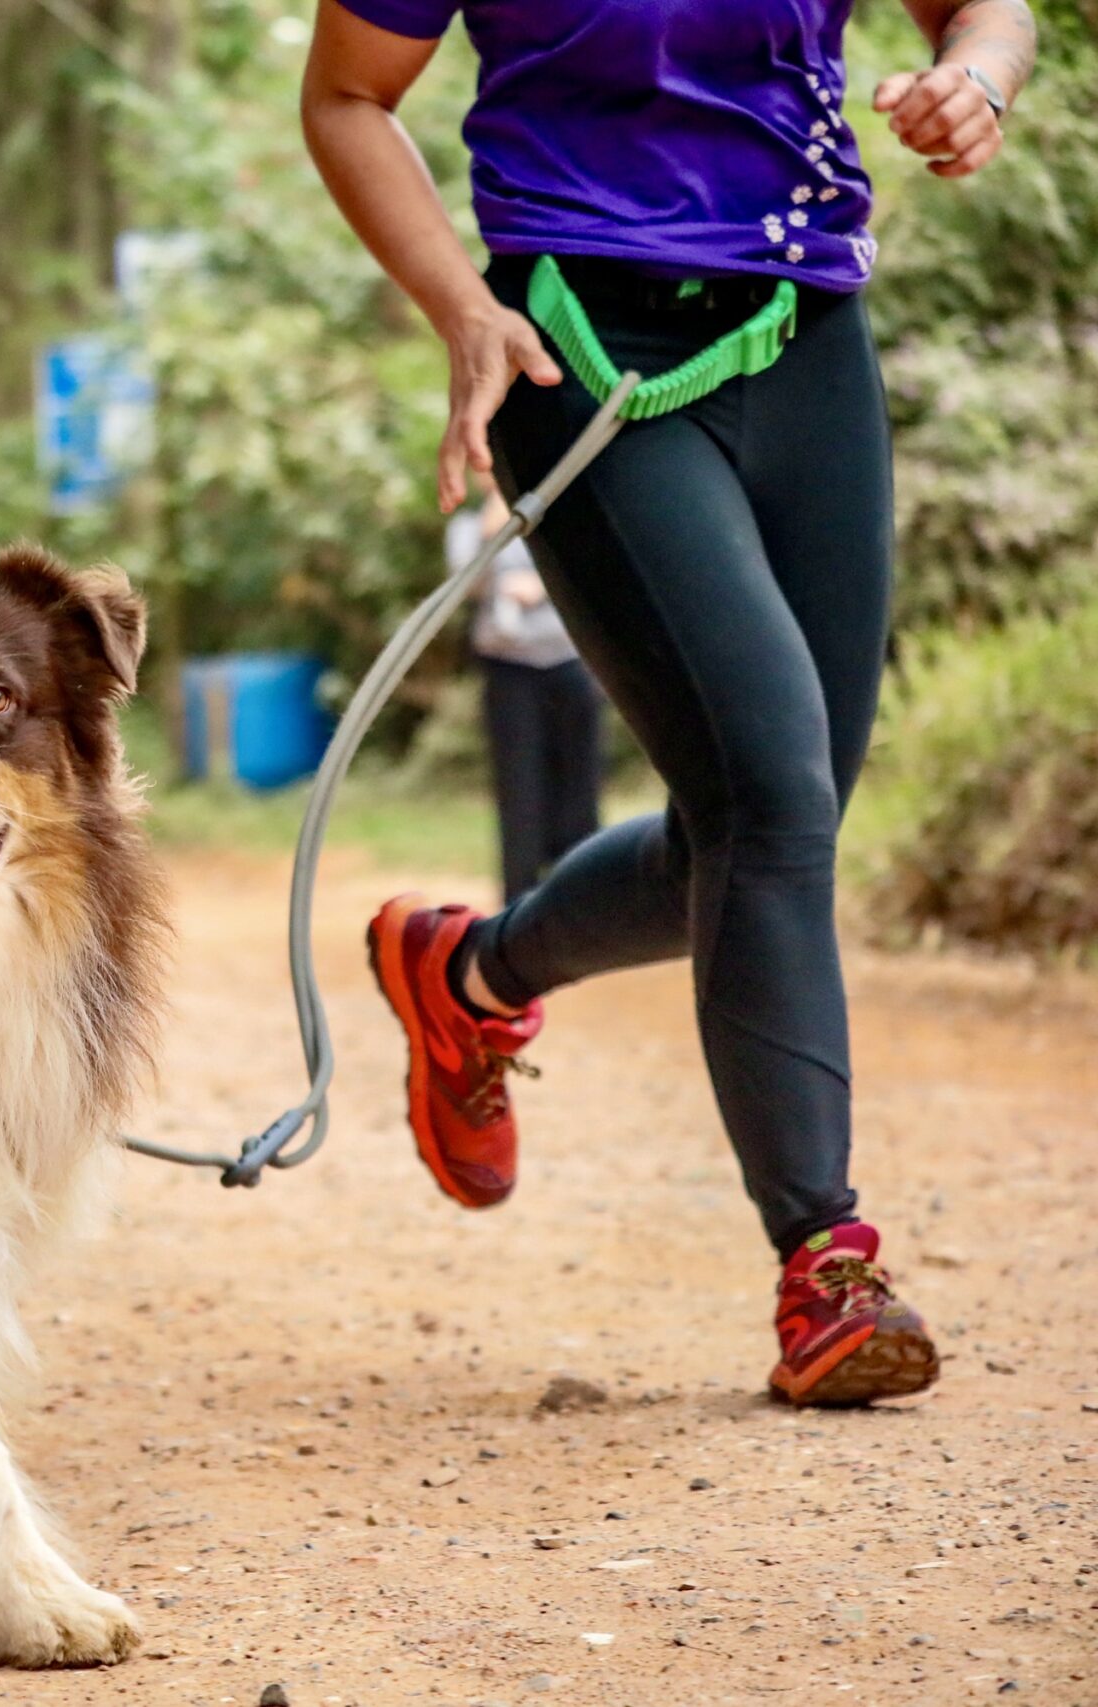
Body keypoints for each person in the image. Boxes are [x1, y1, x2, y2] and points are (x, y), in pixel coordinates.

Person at [302, 0, 1037, 1406]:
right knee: (769, 796)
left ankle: (473, 971)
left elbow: (983, 13)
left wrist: (975, 81)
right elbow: (346, 95)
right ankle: (828, 1262)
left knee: (778, 811)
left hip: (805, 324)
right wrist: (462, 305)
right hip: (579, 347)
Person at [447, 483, 604, 905]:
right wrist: (489, 533)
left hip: (570, 660)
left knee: (578, 782)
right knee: (518, 783)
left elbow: (594, 573)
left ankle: (583, 896)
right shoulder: (468, 526)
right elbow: (466, 587)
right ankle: (519, 901)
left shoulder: (565, 512)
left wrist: (541, 584)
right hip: (508, 669)